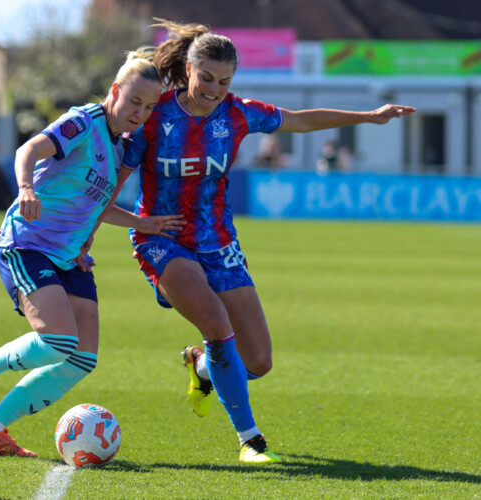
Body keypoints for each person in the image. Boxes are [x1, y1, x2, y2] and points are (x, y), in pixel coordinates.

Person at [106, 19, 415, 464]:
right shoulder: (155, 118)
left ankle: (201, 366)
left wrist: (368, 116)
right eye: (206, 78)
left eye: (224, 81)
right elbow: (111, 189)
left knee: (258, 362)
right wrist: (92, 238)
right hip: (163, 238)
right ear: (189, 71)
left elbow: (300, 121)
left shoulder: (238, 113)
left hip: (219, 242)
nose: (214, 88)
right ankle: (250, 440)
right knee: (215, 321)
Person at [0, 48, 183, 457]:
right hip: (27, 244)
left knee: (82, 358)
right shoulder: (82, 122)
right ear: (114, 91)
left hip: (69, 256)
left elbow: (97, 205)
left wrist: (140, 223)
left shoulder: (122, 146)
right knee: (57, 340)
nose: (140, 112)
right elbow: (28, 150)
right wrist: (25, 189)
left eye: (149, 106)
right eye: (134, 102)